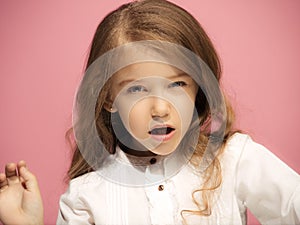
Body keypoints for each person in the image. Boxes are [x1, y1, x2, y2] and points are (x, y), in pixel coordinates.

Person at [0, 0, 299, 224]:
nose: (160, 109)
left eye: (177, 84)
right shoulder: (86, 198)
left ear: (198, 88)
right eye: (137, 90)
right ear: (108, 98)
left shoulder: (234, 160)